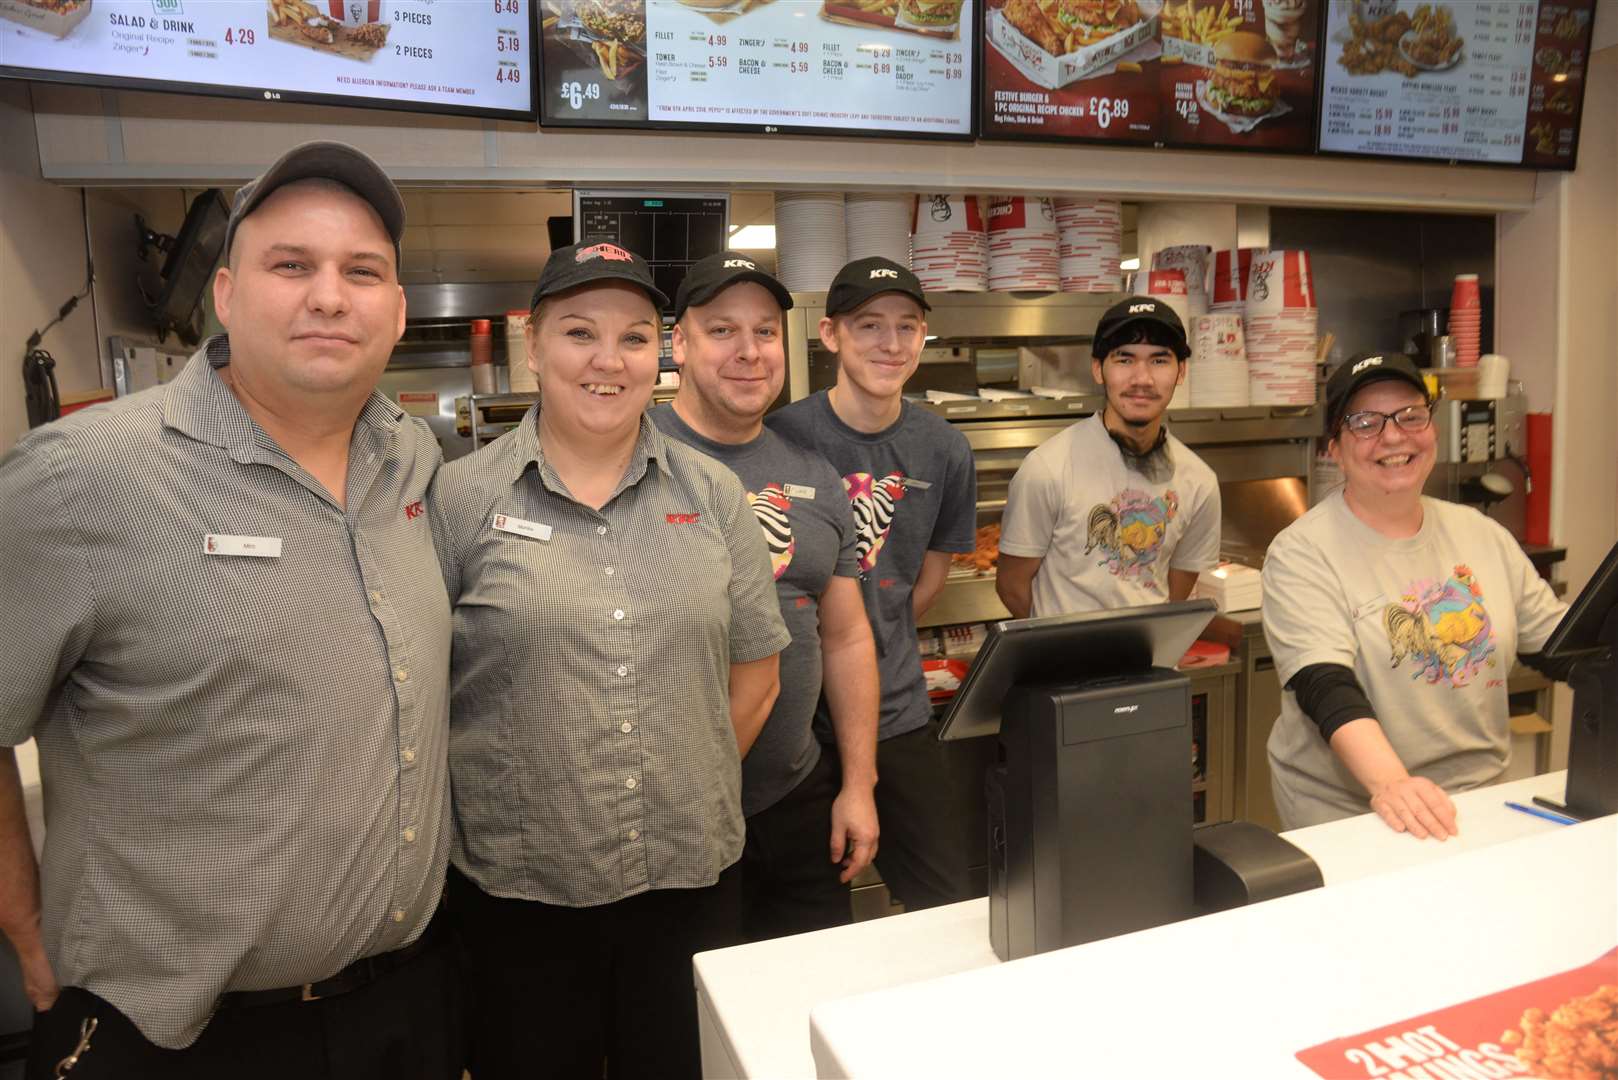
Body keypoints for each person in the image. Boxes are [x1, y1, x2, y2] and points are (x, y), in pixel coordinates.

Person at [0, 141, 460, 1079]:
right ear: (224, 292)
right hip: (178, 1034)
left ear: (398, 310)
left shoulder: (411, 461)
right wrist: (23, 921)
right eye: (291, 265)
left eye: (361, 272)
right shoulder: (79, 480)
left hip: (406, 1007)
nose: (329, 296)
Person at [430, 242, 790, 1080]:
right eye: (579, 333)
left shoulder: (712, 496)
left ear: (658, 356)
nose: (607, 360)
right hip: (518, 895)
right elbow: (422, 696)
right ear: (533, 342)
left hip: (688, 879)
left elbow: (757, 674)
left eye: (633, 338)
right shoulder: (457, 502)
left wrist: (673, 775)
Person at [651, 251, 881, 941]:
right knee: (687, 1026)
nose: (748, 352)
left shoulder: (815, 476)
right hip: (665, 811)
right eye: (722, 331)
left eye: (765, 332)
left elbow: (845, 638)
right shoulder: (634, 454)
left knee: (805, 1006)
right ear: (680, 345)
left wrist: (858, 786)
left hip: (793, 795)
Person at [1262, 352, 1568, 835]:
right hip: (1355, 811)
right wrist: (1392, 784)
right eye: (1365, 422)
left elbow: (1565, 647)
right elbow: (1325, 686)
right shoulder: (1303, 552)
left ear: (1432, 429)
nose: (1393, 436)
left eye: (1410, 415)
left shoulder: (1480, 533)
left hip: (1479, 798)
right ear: (1334, 448)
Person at [767, 256, 978, 912]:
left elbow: (928, 580)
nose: (891, 344)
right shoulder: (784, 435)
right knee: (807, 918)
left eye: (907, 327)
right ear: (829, 335)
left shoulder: (944, 448)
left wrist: (866, 632)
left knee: (948, 907)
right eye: (869, 326)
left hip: (895, 711)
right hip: (797, 725)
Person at [997, 296, 1221, 619]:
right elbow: (1011, 585)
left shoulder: (1199, 482)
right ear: (1097, 368)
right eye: (1124, 359)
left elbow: (1176, 596)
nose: (1141, 379)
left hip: (1148, 664)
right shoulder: (1047, 469)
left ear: (1181, 371)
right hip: (1064, 666)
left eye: (1159, 361)